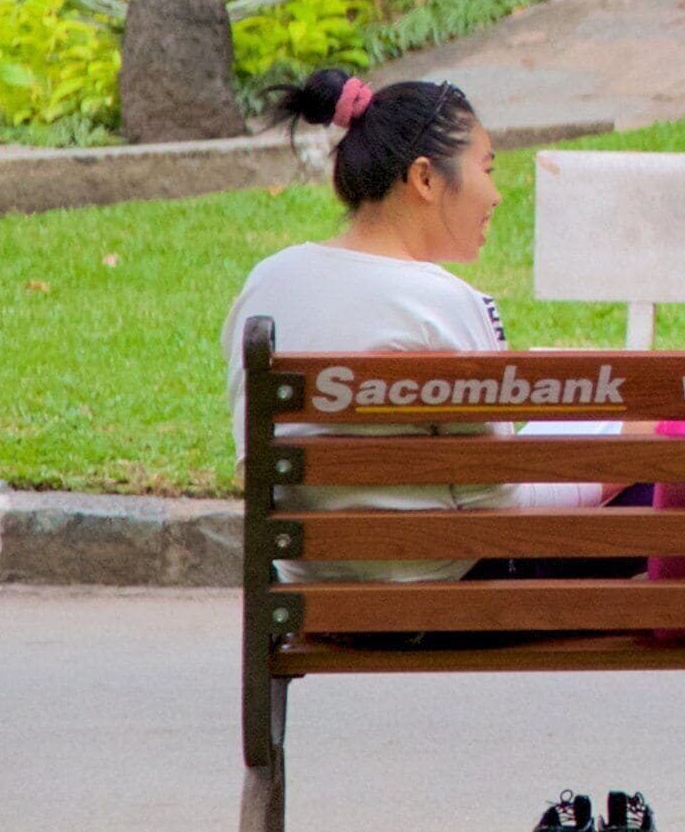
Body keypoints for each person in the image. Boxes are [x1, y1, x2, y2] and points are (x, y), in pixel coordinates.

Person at [218, 70, 631, 623]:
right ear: (425, 179)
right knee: (665, 491)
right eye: (486, 169)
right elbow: (502, 513)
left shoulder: (268, 283)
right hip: (442, 598)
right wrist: (628, 459)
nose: (497, 193)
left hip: (310, 598)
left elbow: (256, 465)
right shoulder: (441, 302)